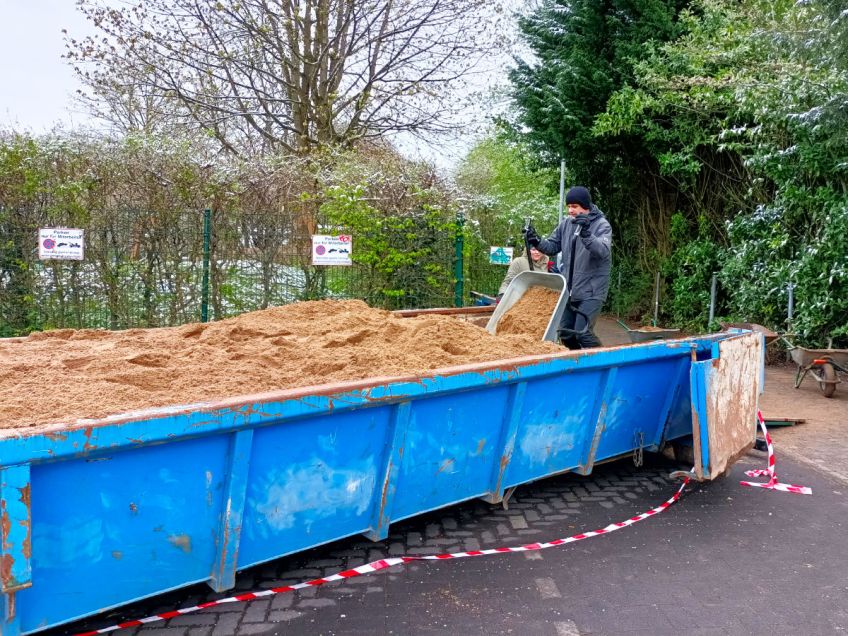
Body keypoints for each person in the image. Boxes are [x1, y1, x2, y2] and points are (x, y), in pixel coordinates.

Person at [523, 186, 612, 349]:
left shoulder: (601, 225)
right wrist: (536, 240)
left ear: (585, 206)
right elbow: (552, 246)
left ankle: (602, 363)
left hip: (592, 290)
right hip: (570, 289)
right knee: (565, 333)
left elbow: (603, 251)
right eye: (569, 206)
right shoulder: (567, 224)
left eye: (574, 206)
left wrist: (586, 233)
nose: (570, 210)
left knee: (583, 333)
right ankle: (579, 364)